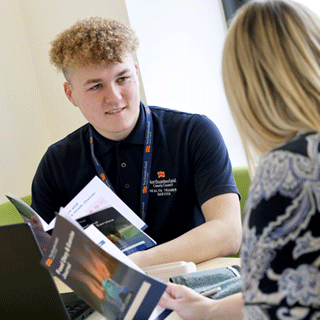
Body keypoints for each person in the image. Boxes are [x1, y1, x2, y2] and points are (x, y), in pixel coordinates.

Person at [30, 17, 242, 268]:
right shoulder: (57, 162)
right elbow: (40, 254)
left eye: (122, 78)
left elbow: (228, 233)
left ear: (137, 74)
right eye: (96, 86)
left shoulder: (193, 132)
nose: (115, 97)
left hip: (195, 288)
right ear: (71, 94)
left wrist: (135, 263)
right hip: (111, 296)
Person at [159, 0, 320, 319]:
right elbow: (287, 292)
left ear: (247, 90)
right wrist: (207, 309)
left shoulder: (289, 168)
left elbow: (272, 312)